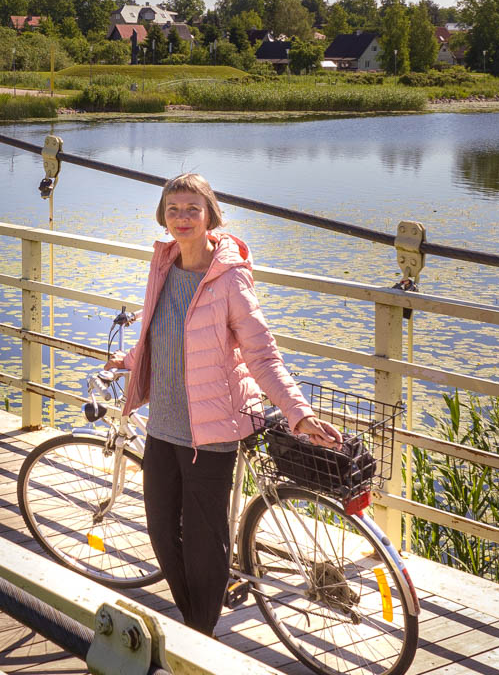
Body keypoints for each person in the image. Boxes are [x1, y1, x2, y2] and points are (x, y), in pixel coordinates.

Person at [108, 172, 341, 635]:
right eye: (173, 209)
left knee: (203, 543)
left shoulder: (230, 279)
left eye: (193, 209)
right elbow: (163, 329)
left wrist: (300, 413)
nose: (182, 218)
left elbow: (262, 354)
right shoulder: (164, 262)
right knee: (160, 532)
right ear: (163, 217)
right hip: (163, 425)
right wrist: (132, 360)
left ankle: (200, 635)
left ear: (210, 214)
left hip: (211, 433)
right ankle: (195, 621)